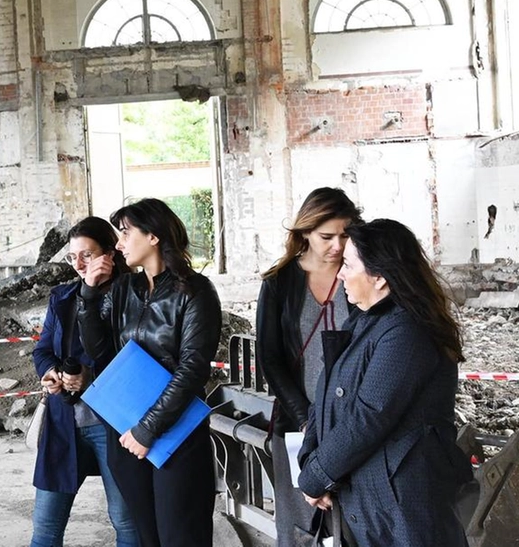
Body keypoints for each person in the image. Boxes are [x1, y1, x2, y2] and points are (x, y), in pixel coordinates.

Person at [297, 219, 472, 547]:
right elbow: (327, 399)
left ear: (379, 276)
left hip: (405, 507)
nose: (340, 274)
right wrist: (313, 467)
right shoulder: (366, 322)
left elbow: (368, 417)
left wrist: (317, 475)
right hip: (372, 502)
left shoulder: (407, 332)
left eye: (348, 265)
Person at [75, 198, 221, 547]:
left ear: (153, 236)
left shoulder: (195, 291)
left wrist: (148, 428)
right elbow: (101, 354)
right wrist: (89, 296)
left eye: (125, 233)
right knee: (147, 537)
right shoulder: (126, 289)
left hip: (175, 435)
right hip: (127, 434)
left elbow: (192, 370)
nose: (119, 243)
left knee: (181, 535)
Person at [255, 188, 362, 547]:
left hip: (355, 424)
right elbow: (270, 358)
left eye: (345, 235)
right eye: (326, 237)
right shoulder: (279, 283)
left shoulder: (363, 277)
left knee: (354, 525)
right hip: (297, 424)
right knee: (301, 529)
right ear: (304, 234)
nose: (337, 245)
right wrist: (305, 418)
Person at [27, 218, 139, 547]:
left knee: (126, 521)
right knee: (46, 526)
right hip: (64, 421)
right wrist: (50, 372)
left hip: (114, 425)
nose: (77, 264)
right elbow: (43, 349)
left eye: (87, 256)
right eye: (71, 257)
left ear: (110, 253)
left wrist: (88, 376)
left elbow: (130, 356)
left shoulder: (131, 296)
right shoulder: (62, 297)